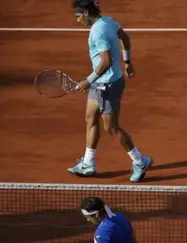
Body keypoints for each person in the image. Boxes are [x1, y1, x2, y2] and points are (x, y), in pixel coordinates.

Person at [68, 0, 153, 182]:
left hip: (107, 85)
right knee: (91, 118)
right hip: (102, 83)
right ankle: (88, 163)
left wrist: (88, 80)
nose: (77, 21)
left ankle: (140, 160)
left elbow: (106, 61)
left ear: (85, 13)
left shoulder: (97, 31)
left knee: (111, 128)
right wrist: (128, 62)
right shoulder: (109, 21)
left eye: (77, 16)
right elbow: (125, 37)